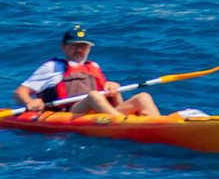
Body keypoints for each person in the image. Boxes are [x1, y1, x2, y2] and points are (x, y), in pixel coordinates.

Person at [15, 27, 157, 119]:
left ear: (89, 48)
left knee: (143, 97)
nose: (79, 50)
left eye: (83, 46)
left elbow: (111, 100)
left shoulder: (93, 66)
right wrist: (30, 102)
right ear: (63, 47)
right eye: (74, 46)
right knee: (93, 95)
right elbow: (19, 92)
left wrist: (113, 88)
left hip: (101, 115)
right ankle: (122, 123)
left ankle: (160, 124)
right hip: (70, 115)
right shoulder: (52, 67)